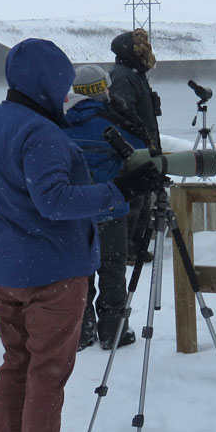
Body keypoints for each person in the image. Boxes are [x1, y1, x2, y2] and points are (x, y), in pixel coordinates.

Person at [0, 38, 164, 432]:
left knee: (16, 363)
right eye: (60, 86)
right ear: (46, 83)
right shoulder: (41, 134)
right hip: (51, 270)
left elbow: (2, 195)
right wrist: (118, 189)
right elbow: (54, 200)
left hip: (6, 268)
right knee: (47, 372)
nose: (64, 96)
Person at [63, 63, 145, 351]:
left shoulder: (62, 122)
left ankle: (81, 330)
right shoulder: (111, 123)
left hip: (75, 211)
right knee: (112, 269)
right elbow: (137, 153)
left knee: (80, 272)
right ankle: (113, 330)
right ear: (102, 90)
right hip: (110, 207)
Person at [109, 28, 161, 262]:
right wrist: (137, 144)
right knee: (135, 198)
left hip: (141, 145)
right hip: (134, 148)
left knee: (142, 197)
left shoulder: (133, 74)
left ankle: (135, 246)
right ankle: (130, 248)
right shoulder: (124, 75)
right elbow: (124, 114)